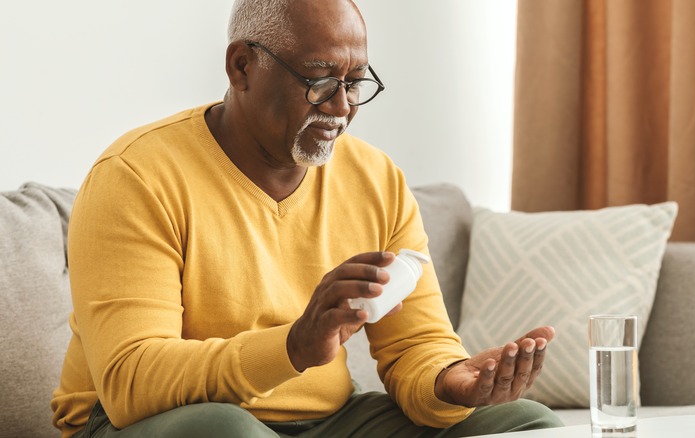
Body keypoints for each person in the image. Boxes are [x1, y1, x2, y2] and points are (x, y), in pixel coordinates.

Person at [51, 0, 563, 436]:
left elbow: (415, 345)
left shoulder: (376, 178)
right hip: (145, 423)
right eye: (319, 80)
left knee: (520, 420)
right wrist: (293, 346)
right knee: (225, 429)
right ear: (241, 66)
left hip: (326, 421)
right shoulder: (137, 175)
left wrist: (452, 381)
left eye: (356, 82)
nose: (341, 107)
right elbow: (131, 383)